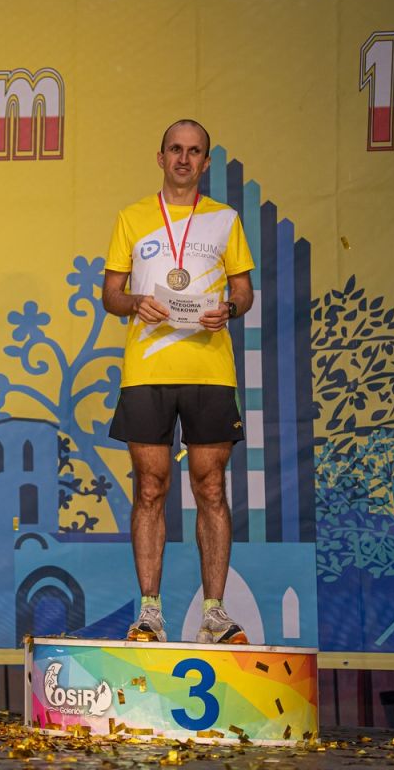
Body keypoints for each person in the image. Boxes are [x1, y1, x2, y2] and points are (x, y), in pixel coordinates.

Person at [101, 119, 255, 645]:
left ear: (206, 162)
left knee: (211, 488)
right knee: (150, 487)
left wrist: (229, 308)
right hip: (148, 371)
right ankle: (149, 612)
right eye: (175, 149)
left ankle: (215, 612)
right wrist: (134, 303)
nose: (184, 159)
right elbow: (111, 294)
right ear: (161, 157)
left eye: (194, 151)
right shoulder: (132, 217)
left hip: (209, 369)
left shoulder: (225, 220)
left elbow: (243, 291)